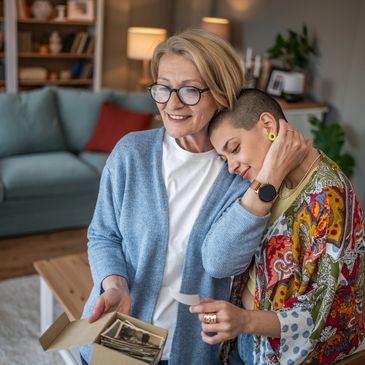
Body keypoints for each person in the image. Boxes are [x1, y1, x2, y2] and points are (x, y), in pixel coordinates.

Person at [80, 29, 309, 365]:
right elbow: (103, 235)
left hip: (194, 349)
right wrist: (115, 287)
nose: (171, 104)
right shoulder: (132, 153)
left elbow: (222, 263)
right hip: (121, 333)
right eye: (163, 88)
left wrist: (269, 176)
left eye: (188, 90)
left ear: (220, 92)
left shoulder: (239, 172)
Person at [190, 88, 365, 365]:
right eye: (224, 159)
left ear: (268, 126)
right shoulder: (264, 181)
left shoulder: (328, 196)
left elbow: (328, 310)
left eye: (234, 149)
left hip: (284, 352)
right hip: (246, 340)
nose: (231, 167)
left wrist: (245, 321)